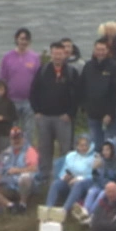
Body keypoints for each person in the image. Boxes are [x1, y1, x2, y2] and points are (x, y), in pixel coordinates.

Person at [27, 40, 76, 184]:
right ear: (51, 54)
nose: (57, 57)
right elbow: (33, 92)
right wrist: (36, 111)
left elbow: (77, 95)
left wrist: (70, 113)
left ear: (64, 55)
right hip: (44, 117)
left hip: (63, 118)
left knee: (66, 149)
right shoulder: (42, 71)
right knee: (44, 148)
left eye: (60, 54)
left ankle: (64, 177)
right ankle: (44, 177)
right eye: (55, 54)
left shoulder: (71, 72)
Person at [0, 125, 37, 213]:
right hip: (7, 185)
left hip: (23, 186)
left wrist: (18, 170)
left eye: (18, 138)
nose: (16, 141)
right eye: (14, 139)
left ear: (23, 138)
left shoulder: (30, 150)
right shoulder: (4, 154)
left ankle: (23, 204)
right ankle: (11, 205)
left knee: (25, 178)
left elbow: (34, 168)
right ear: (10, 139)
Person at [0, 27, 39, 139]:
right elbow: (2, 78)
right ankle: (13, 154)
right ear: (16, 39)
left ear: (29, 41)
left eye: (26, 39)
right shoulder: (7, 57)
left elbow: (38, 80)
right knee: (13, 132)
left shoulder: (34, 57)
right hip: (12, 101)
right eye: (21, 39)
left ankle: (27, 155)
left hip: (29, 102)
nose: (23, 42)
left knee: (28, 132)